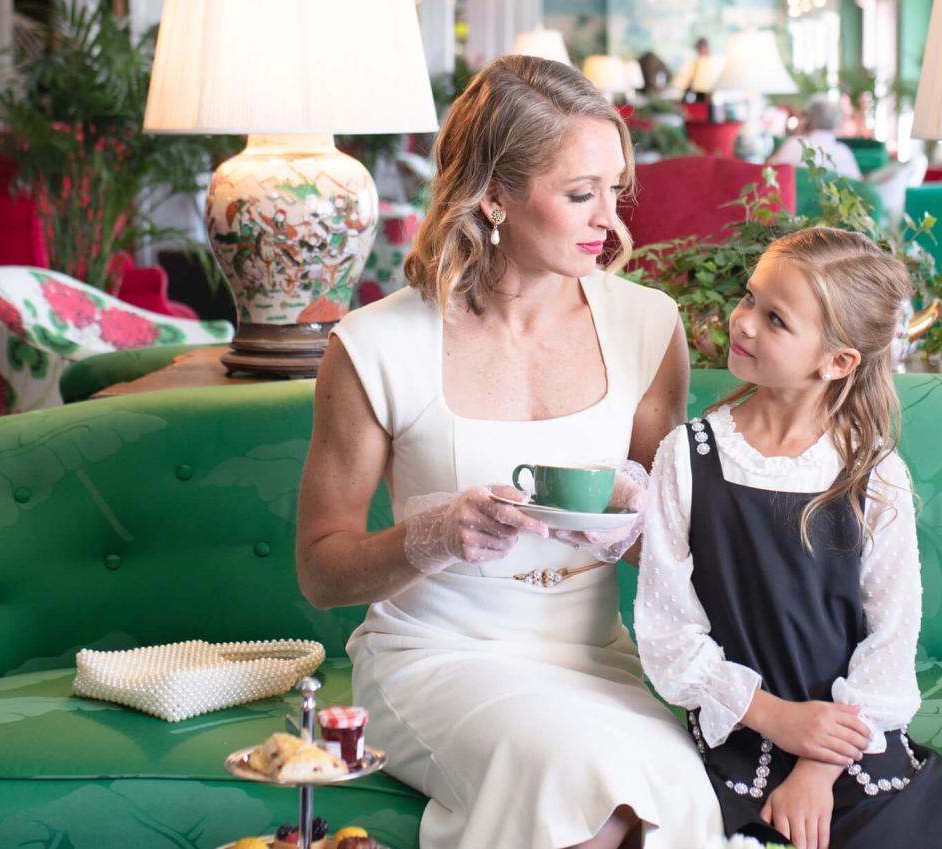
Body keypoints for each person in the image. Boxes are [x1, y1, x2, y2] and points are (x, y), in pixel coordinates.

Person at [295, 54, 720, 849]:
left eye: (614, 190)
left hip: (593, 657)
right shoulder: (377, 344)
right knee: (587, 796)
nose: (612, 223)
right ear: (493, 195)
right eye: (579, 195)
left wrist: (632, 528)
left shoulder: (646, 326)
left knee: (671, 794)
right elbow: (321, 571)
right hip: (432, 658)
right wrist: (432, 536)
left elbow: (679, 546)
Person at [635, 227, 942, 849]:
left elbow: (890, 641)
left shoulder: (874, 476)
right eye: (749, 299)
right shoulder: (688, 456)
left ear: (837, 361)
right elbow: (668, 633)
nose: (745, 323)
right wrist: (775, 718)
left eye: (776, 320)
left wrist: (817, 766)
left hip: (848, 749)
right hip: (734, 737)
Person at [769, 97, 863, 180]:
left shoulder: (794, 144)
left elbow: (768, 173)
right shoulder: (844, 152)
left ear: (811, 119)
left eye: (805, 114)